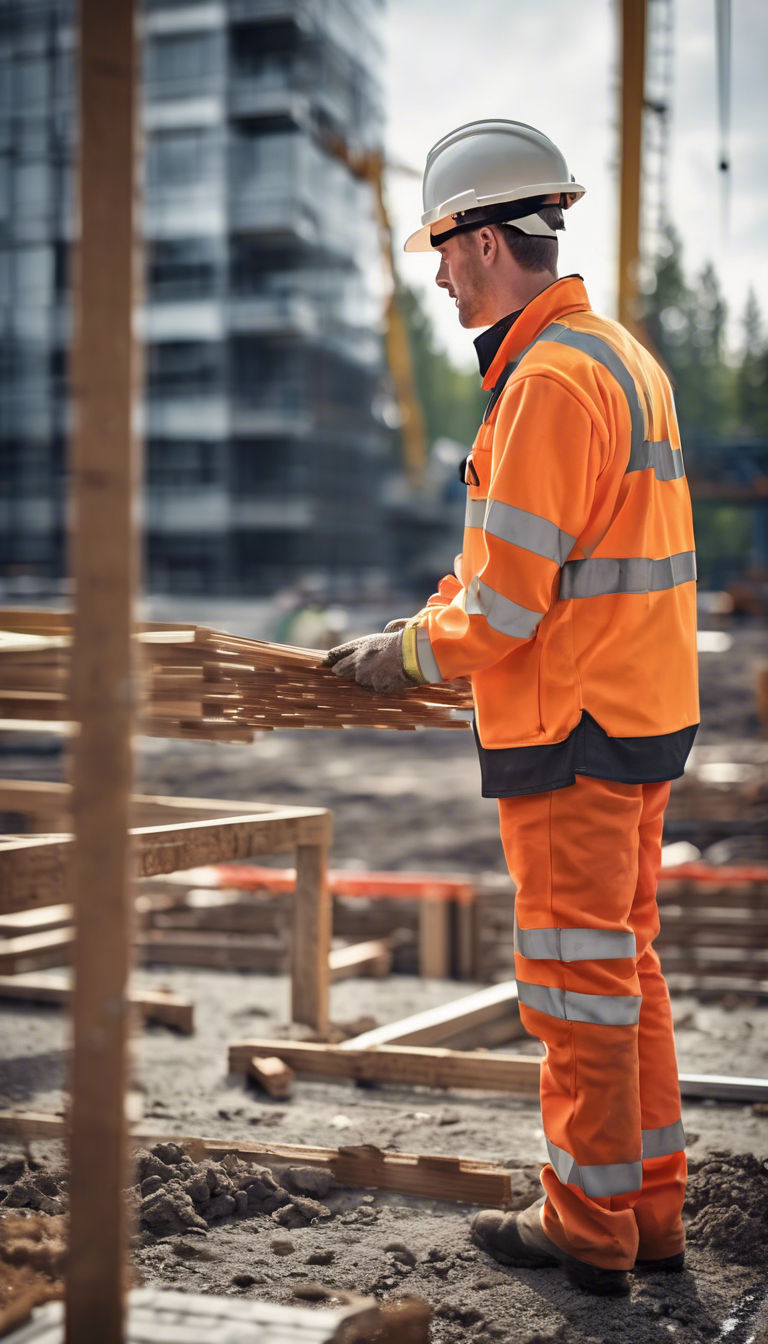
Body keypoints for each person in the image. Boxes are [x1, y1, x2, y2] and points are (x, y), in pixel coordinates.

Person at [325, 119, 699, 1296]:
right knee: (622, 974)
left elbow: (502, 613)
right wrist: (426, 622)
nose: (437, 275)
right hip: (633, 721)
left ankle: (588, 1232)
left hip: (569, 734)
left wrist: (405, 657)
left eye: (443, 248)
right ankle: (648, 1212)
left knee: (573, 987)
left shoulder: (544, 382)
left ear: (487, 240)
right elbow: (511, 572)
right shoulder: (618, 359)